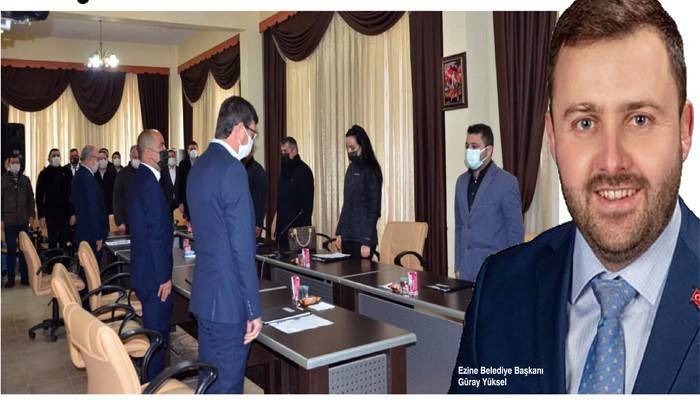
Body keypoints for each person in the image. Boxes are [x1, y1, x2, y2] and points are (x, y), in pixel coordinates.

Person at [450, 0, 698, 394]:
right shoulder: (498, 290)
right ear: (552, 137)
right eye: (584, 122)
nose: (612, 162)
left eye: (640, 119)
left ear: (684, 130)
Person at [187, 96, 262, 394]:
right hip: (230, 305)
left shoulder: (199, 166)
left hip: (205, 297)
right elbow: (242, 249)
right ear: (240, 129)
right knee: (227, 386)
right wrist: (253, 310)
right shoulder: (233, 170)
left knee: (210, 381)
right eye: (252, 133)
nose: (252, 141)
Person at [127, 129, 173, 381]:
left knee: (154, 336)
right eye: (162, 146)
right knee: (158, 338)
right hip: (155, 279)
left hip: (145, 273)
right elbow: (156, 235)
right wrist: (164, 277)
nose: (165, 150)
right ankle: (155, 386)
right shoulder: (149, 184)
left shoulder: (142, 179)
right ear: (147, 152)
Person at [454, 123, 524, 281]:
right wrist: (458, 266)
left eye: (474, 146)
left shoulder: (506, 182)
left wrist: (510, 272)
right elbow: (460, 228)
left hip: (495, 273)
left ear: (489, 150)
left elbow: (515, 234)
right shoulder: (461, 182)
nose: (469, 151)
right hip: (465, 273)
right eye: (467, 146)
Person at [334, 125, 382, 259]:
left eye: (353, 148)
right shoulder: (350, 169)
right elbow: (347, 204)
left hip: (362, 239)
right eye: (347, 148)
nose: (349, 151)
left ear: (363, 145)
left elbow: (374, 209)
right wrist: (340, 232)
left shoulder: (372, 170)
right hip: (347, 236)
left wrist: (367, 240)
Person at [1, 154, 35, 287]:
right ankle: (10, 279)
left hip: (23, 221)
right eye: (13, 162)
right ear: (9, 165)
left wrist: (32, 215)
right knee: (10, 250)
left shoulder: (25, 180)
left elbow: (31, 198)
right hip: (9, 221)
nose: (15, 164)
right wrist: (1, 219)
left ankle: (24, 278)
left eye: (17, 162)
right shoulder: (3, 180)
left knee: (24, 250)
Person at [275, 137, 313, 247]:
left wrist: (301, 234)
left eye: (285, 151)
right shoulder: (284, 171)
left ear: (294, 150)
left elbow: (306, 207)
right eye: (281, 151)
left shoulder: (304, 171)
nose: (283, 154)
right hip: (282, 229)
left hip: (298, 231)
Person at [72, 145, 108, 258]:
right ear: (90, 159)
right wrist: (98, 236)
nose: (98, 162)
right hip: (91, 235)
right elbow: (93, 209)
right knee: (92, 266)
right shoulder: (86, 177)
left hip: (86, 232)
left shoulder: (81, 174)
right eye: (97, 158)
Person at [35, 148, 73, 251]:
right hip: (50, 215)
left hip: (65, 214)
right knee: (53, 242)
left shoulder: (66, 172)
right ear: (49, 159)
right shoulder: (43, 174)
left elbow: (71, 194)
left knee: (64, 242)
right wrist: (41, 216)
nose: (56, 157)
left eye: (58, 155)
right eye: (54, 155)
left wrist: (73, 213)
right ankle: (53, 261)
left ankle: (64, 261)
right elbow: (39, 196)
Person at [112, 145, 140, 234]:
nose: (137, 160)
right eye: (135, 157)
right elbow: (116, 199)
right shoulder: (122, 174)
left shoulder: (145, 172)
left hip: (143, 220)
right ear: (130, 157)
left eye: (139, 157)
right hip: (128, 221)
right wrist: (119, 221)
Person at [176, 141, 198, 221]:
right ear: (187, 151)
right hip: (187, 198)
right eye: (191, 149)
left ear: (197, 150)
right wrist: (180, 202)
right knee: (189, 219)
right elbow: (180, 183)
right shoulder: (183, 164)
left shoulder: (202, 161)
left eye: (194, 149)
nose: (193, 150)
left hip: (199, 197)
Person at [95, 148, 117, 215]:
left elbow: (115, 193)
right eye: (100, 159)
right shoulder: (93, 175)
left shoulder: (113, 174)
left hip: (110, 210)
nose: (103, 160)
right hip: (97, 210)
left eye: (104, 158)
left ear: (107, 160)